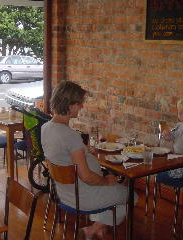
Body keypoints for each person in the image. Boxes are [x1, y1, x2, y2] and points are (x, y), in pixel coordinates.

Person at [41, 81, 137, 240]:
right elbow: (86, 177)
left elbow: (62, 155)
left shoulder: (46, 128)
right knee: (131, 195)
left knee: (117, 192)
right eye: (80, 103)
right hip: (85, 196)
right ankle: (92, 230)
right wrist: (106, 181)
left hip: (65, 194)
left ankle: (96, 228)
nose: (82, 107)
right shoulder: (70, 136)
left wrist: (84, 151)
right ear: (70, 105)